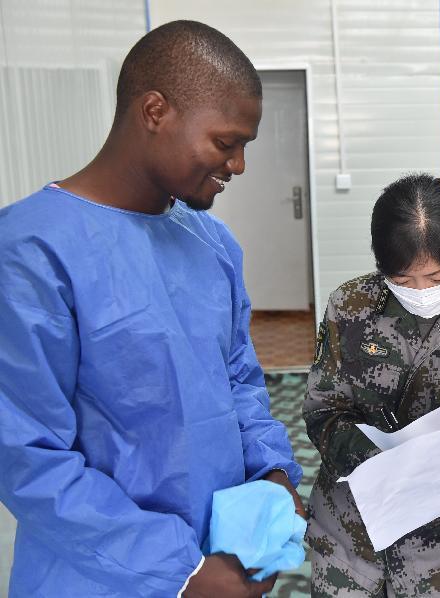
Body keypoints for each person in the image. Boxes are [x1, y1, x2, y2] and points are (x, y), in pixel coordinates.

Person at [0, 21, 304, 598]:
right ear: (156, 111)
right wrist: (179, 573)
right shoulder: (31, 253)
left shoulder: (211, 243)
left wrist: (272, 470)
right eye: (226, 142)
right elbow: (26, 456)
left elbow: (240, 379)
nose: (238, 165)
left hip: (220, 556)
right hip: (98, 575)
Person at [303, 173, 440, 597]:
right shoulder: (350, 307)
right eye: (402, 280)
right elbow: (322, 409)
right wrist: (376, 462)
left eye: (437, 279)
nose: (421, 291)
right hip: (350, 531)